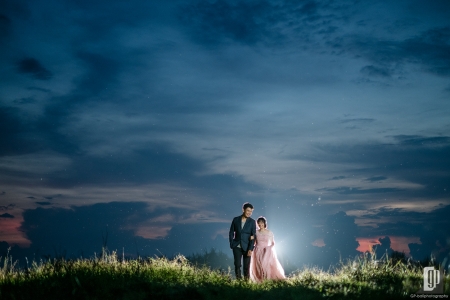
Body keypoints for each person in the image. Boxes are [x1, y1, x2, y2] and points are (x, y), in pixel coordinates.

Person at [249, 216, 285, 282]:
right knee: (258, 266)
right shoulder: (255, 232)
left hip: (266, 251)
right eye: (259, 223)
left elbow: (273, 243)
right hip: (257, 250)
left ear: (265, 223)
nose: (260, 224)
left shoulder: (269, 232)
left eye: (262, 223)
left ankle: (267, 279)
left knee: (265, 265)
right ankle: (260, 280)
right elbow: (253, 242)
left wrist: (269, 248)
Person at [229, 202, 256, 280]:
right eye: (248, 211)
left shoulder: (252, 222)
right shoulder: (236, 219)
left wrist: (250, 249)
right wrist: (231, 243)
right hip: (236, 246)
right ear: (243, 210)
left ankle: (246, 283)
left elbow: (253, 236)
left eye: (251, 212)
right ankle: (239, 282)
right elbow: (231, 232)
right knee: (237, 265)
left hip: (247, 247)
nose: (249, 213)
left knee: (246, 266)